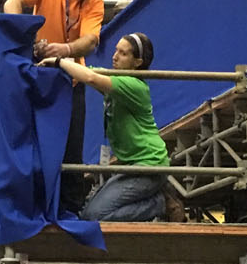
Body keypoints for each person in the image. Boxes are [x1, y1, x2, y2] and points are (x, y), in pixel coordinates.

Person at [5, 0, 109, 205]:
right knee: (30, 143)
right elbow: (13, 2)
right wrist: (26, 38)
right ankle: (31, 204)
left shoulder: (95, 1)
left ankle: (71, 209)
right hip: (37, 76)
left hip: (69, 81)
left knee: (71, 150)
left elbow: (90, 41)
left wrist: (65, 49)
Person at [43, 32, 170, 223]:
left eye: (123, 53)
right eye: (116, 50)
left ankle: (159, 204)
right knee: (87, 212)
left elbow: (91, 78)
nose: (115, 56)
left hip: (148, 167)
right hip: (131, 167)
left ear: (138, 62)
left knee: (94, 216)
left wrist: (59, 61)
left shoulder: (134, 85)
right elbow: (88, 72)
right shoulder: (117, 78)